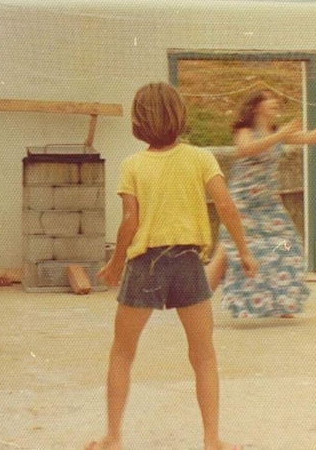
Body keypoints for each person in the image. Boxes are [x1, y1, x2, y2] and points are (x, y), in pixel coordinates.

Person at [85, 83, 258, 450]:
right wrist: (243, 251)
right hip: (187, 264)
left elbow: (130, 222)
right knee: (203, 354)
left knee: (122, 351)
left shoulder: (132, 165)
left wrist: (116, 262)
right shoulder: (200, 158)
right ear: (180, 117)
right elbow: (226, 206)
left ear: (138, 121)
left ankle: (113, 438)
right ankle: (212, 439)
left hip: (145, 264)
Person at [205, 87, 316, 318]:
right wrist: (280, 135)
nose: (275, 101)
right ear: (256, 106)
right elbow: (245, 149)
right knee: (226, 252)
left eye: (276, 98)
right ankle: (197, 304)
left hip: (268, 205)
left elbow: (315, 137)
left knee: (285, 245)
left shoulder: (278, 132)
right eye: (269, 99)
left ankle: (281, 301)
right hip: (243, 203)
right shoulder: (245, 130)